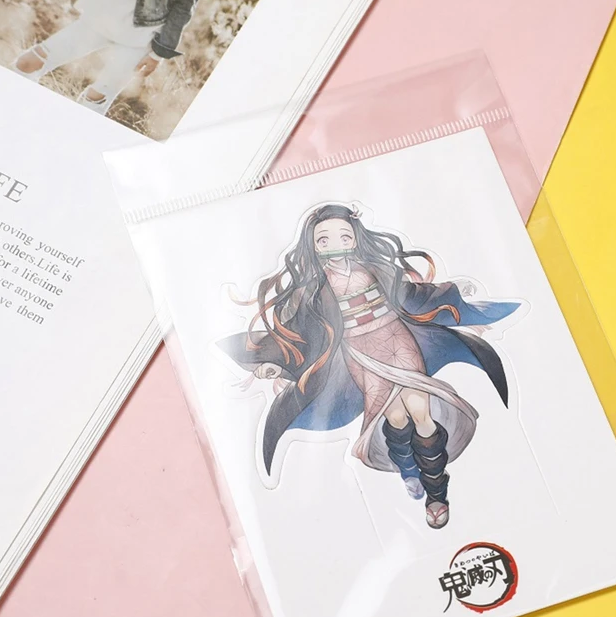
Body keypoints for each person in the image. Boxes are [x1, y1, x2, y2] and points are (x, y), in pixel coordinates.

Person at [220, 204, 522, 529]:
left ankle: (437, 492)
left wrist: (459, 308)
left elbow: (415, 295)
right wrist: (273, 363)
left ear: (354, 238)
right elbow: (301, 331)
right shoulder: (314, 289)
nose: (334, 244)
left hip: (398, 340)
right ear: (313, 245)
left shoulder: (377, 268)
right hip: (361, 354)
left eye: (343, 236)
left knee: (421, 411)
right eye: (323, 240)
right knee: (395, 417)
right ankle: (408, 470)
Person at [13, 0, 200, 113]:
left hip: (139, 37)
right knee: (26, 64)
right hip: (97, 20)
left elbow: (184, 7)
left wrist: (158, 53)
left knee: (95, 101)